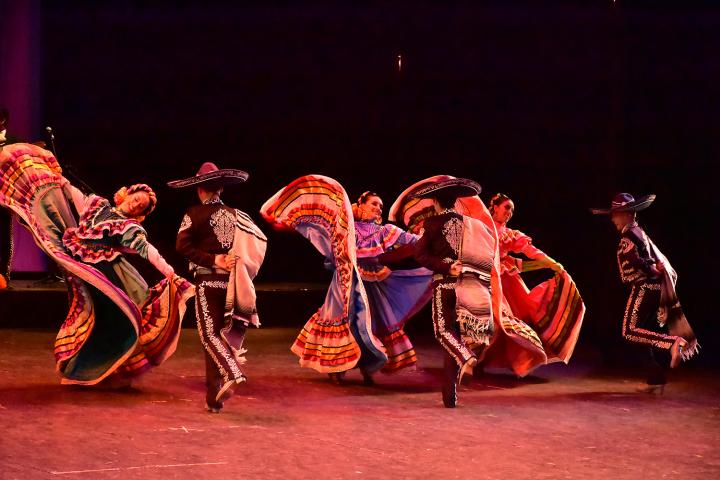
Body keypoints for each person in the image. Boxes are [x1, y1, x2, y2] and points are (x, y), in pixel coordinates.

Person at [0, 142, 194, 385]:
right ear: (127, 193)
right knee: (93, 318)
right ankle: (88, 369)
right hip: (86, 268)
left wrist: (171, 273)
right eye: (137, 198)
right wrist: (57, 177)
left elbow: (150, 252)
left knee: (115, 319)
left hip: (111, 276)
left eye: (141, 205)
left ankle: (108, 369)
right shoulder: (97, 206)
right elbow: (73, 194)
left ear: (140, 213)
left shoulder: (129, 227)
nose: (136, 203)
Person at [260, 175, 431, 385]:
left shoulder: (384, 231)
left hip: (371, 285)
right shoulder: (345, 226)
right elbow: (316, 229)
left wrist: (431, 232)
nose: (378, 208)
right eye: (374, 204)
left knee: (369, 324)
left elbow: (415, 240)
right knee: (344, 320)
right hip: (345, 281)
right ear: (360, 203)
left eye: (381, 206)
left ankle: (368, 369)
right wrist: (287, 222)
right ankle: (335, 369)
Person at [169, 162, 267, 413]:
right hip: (233, 283)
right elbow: (259, 243)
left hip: (208, 280)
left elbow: (182, 246)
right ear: (221, 189)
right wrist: (238, 261)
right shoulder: (239, 216)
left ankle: (232, 373)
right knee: (219, 338)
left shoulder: (193, 213)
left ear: (200, 189)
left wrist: (213, 259)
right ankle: (214, 397)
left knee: (209, 335)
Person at [591, 193, 698, 393]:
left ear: (625, 214)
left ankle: (673, 343)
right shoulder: (638, 232)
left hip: (645, 288)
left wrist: (649, 270)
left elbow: (640, 262)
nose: (613, 219)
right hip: (651, 288)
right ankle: (653, 372)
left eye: (615, 214)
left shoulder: (629, 236)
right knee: (640, 332)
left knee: (629, 331)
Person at [412, 177, 499, 408]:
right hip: (469, 287)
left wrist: (445, 265)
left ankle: (466, 357)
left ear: (436, 203)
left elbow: (419, 255)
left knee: (444, 333)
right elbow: (489, 252)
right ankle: (449, 398)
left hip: (445, 285)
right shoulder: (475, 226)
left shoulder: (431, 224)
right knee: (455, 338)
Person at [482, 193, 585, 376]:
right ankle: (477, 358)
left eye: (512, 210)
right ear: (495, 207)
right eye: (506, 207)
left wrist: (552, 263)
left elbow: (530, 250)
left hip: (504, 283)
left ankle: (511, 359)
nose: (510, 212)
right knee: (483, 319)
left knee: (502, 320)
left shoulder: (509, 235)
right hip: (483, 277)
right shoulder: (482, 227)